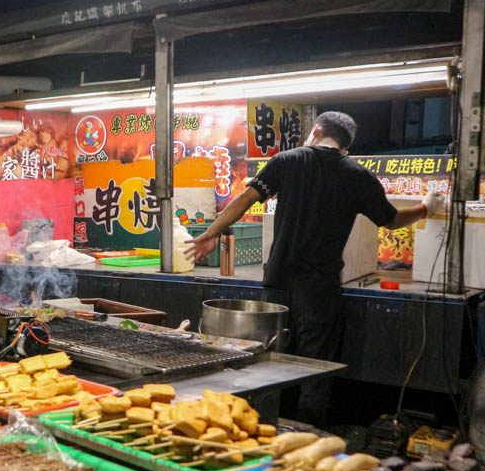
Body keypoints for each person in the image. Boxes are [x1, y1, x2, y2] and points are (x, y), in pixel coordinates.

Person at [186, 111, 445, 426]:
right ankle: (304, 440)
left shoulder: (286, 160)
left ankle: (259, 432)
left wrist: (211, 234)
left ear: (317, 130)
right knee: (313, 371)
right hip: (319, 292)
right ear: (345, 146)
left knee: (265, 367)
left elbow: (245, 199)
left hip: (276, 286)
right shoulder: (357, 175)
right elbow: (391, 220)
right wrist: (425, 209)